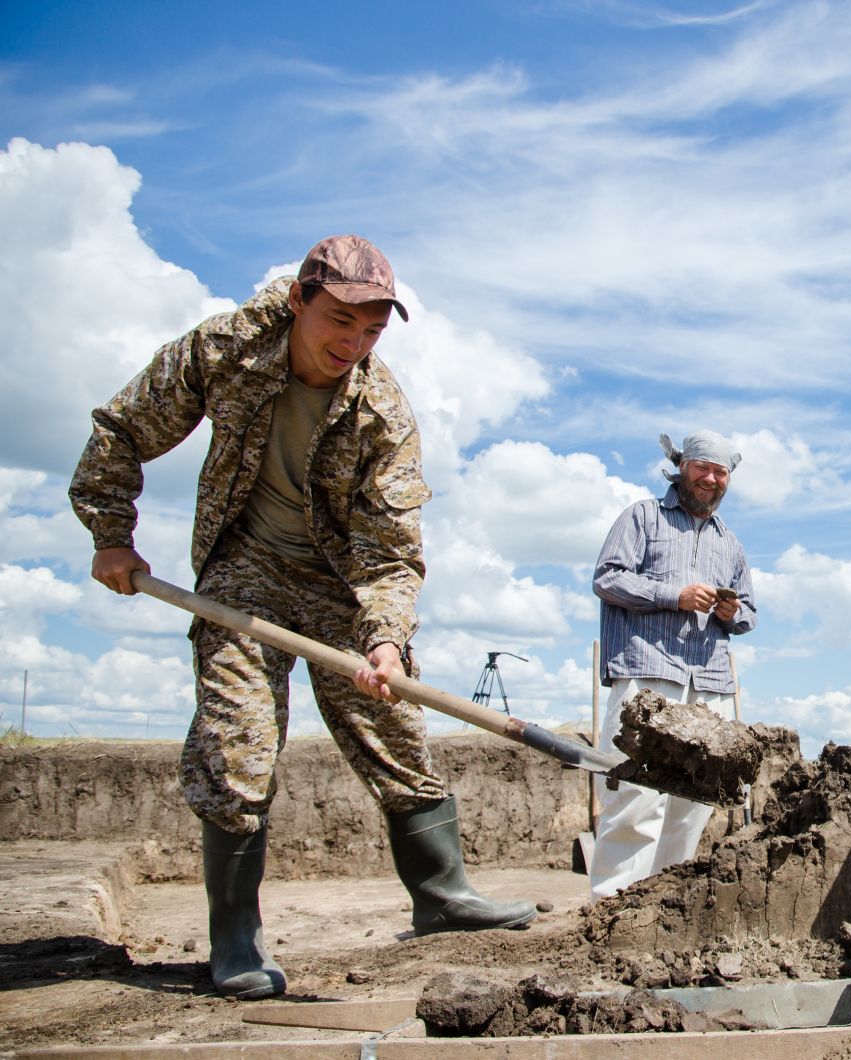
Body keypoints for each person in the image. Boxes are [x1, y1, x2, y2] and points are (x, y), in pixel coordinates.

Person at [69, 235, 535, 1000]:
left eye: (373, 332)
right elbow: (122, 428)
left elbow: (390, 551)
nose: (352, 345)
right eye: (339, 322)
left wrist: (384, 637)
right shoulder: (225, 349)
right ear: (297, 302)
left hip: (339, 584)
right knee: (236, 744)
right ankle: (236, 940)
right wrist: (112, 534)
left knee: (395, 724)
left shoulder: (382, 412)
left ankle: (442, 896)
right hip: (243, 572)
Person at [589, 431, 756, 899]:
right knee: (635, 795)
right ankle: (612, 908)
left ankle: (662, 906)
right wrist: (674, 595)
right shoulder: (642, 517)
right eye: (702, 467)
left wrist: (731, 613)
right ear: (681, 468)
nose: (711, 478)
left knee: (694, 802)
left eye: (721, 471)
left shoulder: (731, 543)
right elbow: (607, 578)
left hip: (709, 680)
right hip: (648, 673)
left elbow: (749, 613)